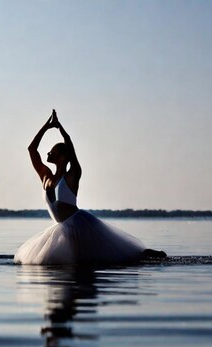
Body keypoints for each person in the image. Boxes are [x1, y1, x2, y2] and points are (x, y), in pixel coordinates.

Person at [14, 110, 166, 265]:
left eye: (52, 151)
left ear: (62, 156)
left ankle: (147, 255)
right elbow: (31, 149)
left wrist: (60, 128)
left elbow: (71, 149)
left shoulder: (72, 174)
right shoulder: (45, 176)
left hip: (78, 224)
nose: (48, 153)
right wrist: (47, 126)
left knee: (109, 257)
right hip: (60, 228)